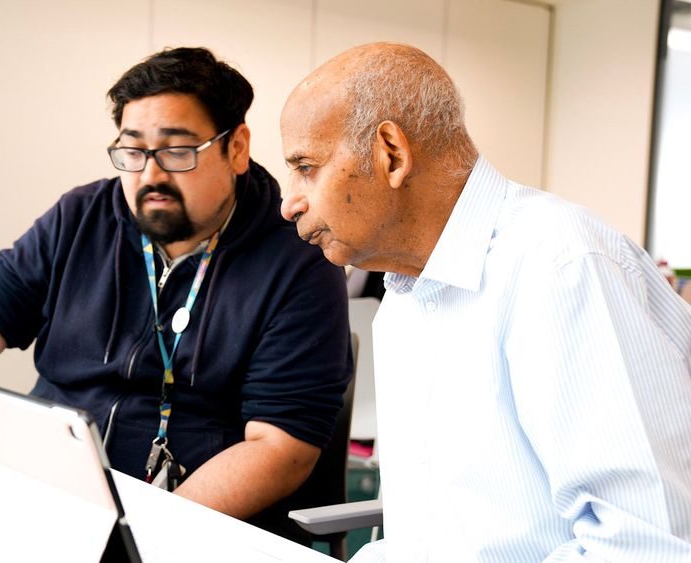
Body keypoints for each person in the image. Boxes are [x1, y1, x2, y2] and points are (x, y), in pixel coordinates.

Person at [0, 47, 351, 538]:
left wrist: (142, 536)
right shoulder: (82, 215)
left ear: (236, 148)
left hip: (186, 525)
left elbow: (278, 448)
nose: (150, 176)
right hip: (48, 496)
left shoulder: (299, 260)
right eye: (132, 152)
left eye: (176, 151)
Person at [279, 42, 691, 561]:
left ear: (391, 154)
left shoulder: (562, 267)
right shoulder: (405, 298)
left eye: (306, 167)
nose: (289, 203)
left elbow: (646, 545)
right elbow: (431, 535)